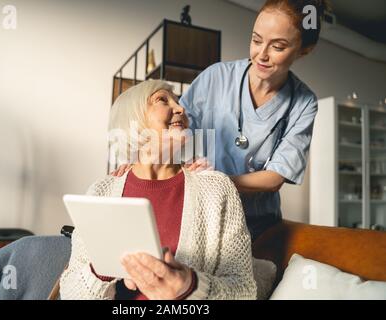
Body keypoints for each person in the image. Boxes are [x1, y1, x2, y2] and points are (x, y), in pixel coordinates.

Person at [114, 0, 329, 240]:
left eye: (278, 47)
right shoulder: (216, 78)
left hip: (259, 225)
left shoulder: (304, 102)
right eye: (256, 40)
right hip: (204, 216)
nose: (262, 54)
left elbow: (276, 177)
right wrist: (137, 162)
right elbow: (171, 129)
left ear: (303, 50)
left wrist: (214, 181)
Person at [59, 80, 256, 300]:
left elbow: (244, 290)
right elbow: (69, 292)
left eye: (178, 101)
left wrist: (190, 287)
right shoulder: (101, 191)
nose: (181, 108)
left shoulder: (216, 189)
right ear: (133, 120)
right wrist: (102, 270)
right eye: (162, 100)